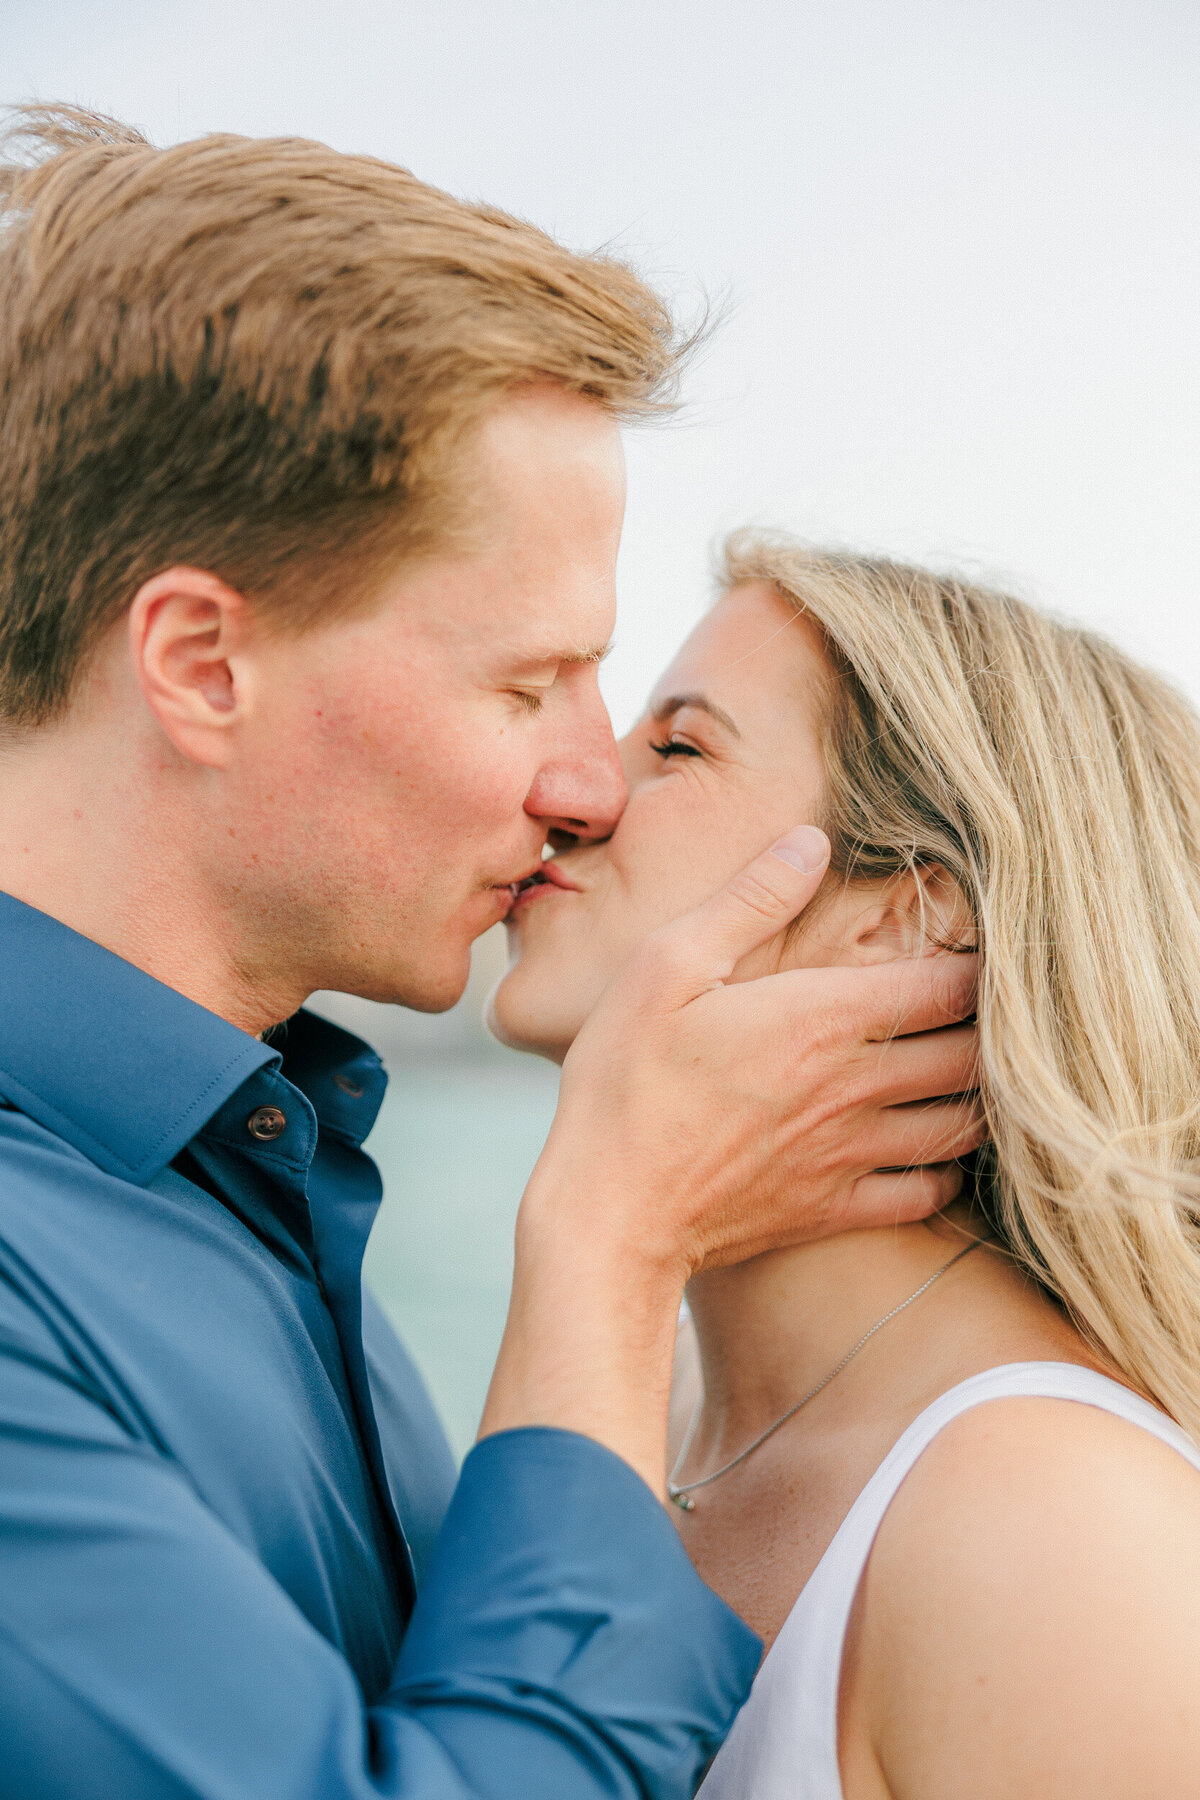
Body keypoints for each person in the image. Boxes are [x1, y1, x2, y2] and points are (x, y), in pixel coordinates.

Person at [0, 108, 982, 1799]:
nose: (586, 779)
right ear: (199, 664)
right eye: (529, 683)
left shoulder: (256, 1188)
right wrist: (612, 1243)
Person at [491, 538, 1200, 1797]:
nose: (581, 792)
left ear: (906, 913)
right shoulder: (654, 1424)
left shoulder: (1050, 1526)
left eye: (681, 747)